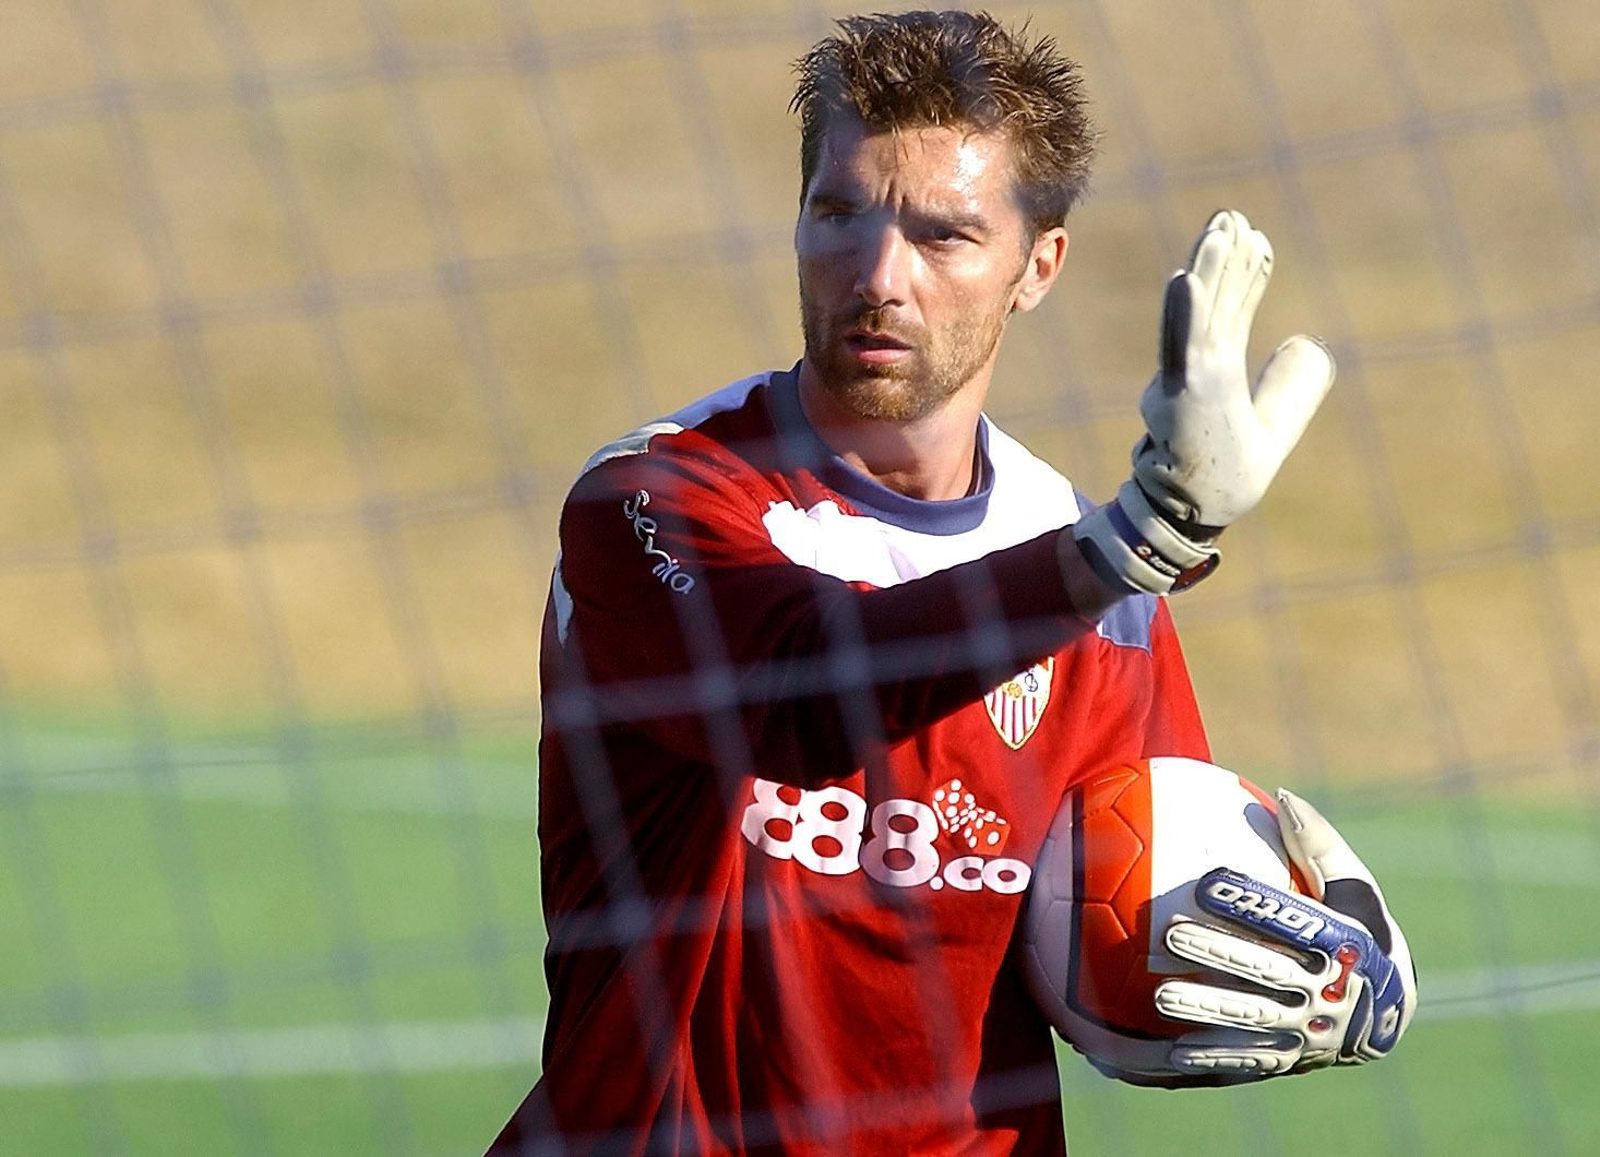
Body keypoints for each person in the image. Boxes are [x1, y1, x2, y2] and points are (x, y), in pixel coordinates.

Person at [489, 11, 1414, 1155]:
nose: (879, 277)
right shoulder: (656, 502)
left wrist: (1331, 964)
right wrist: (1124, 547)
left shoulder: (1106, 604)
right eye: (840, 214)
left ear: (1037, 266)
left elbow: (1136, 934)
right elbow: (799, 695)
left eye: (942, 234)